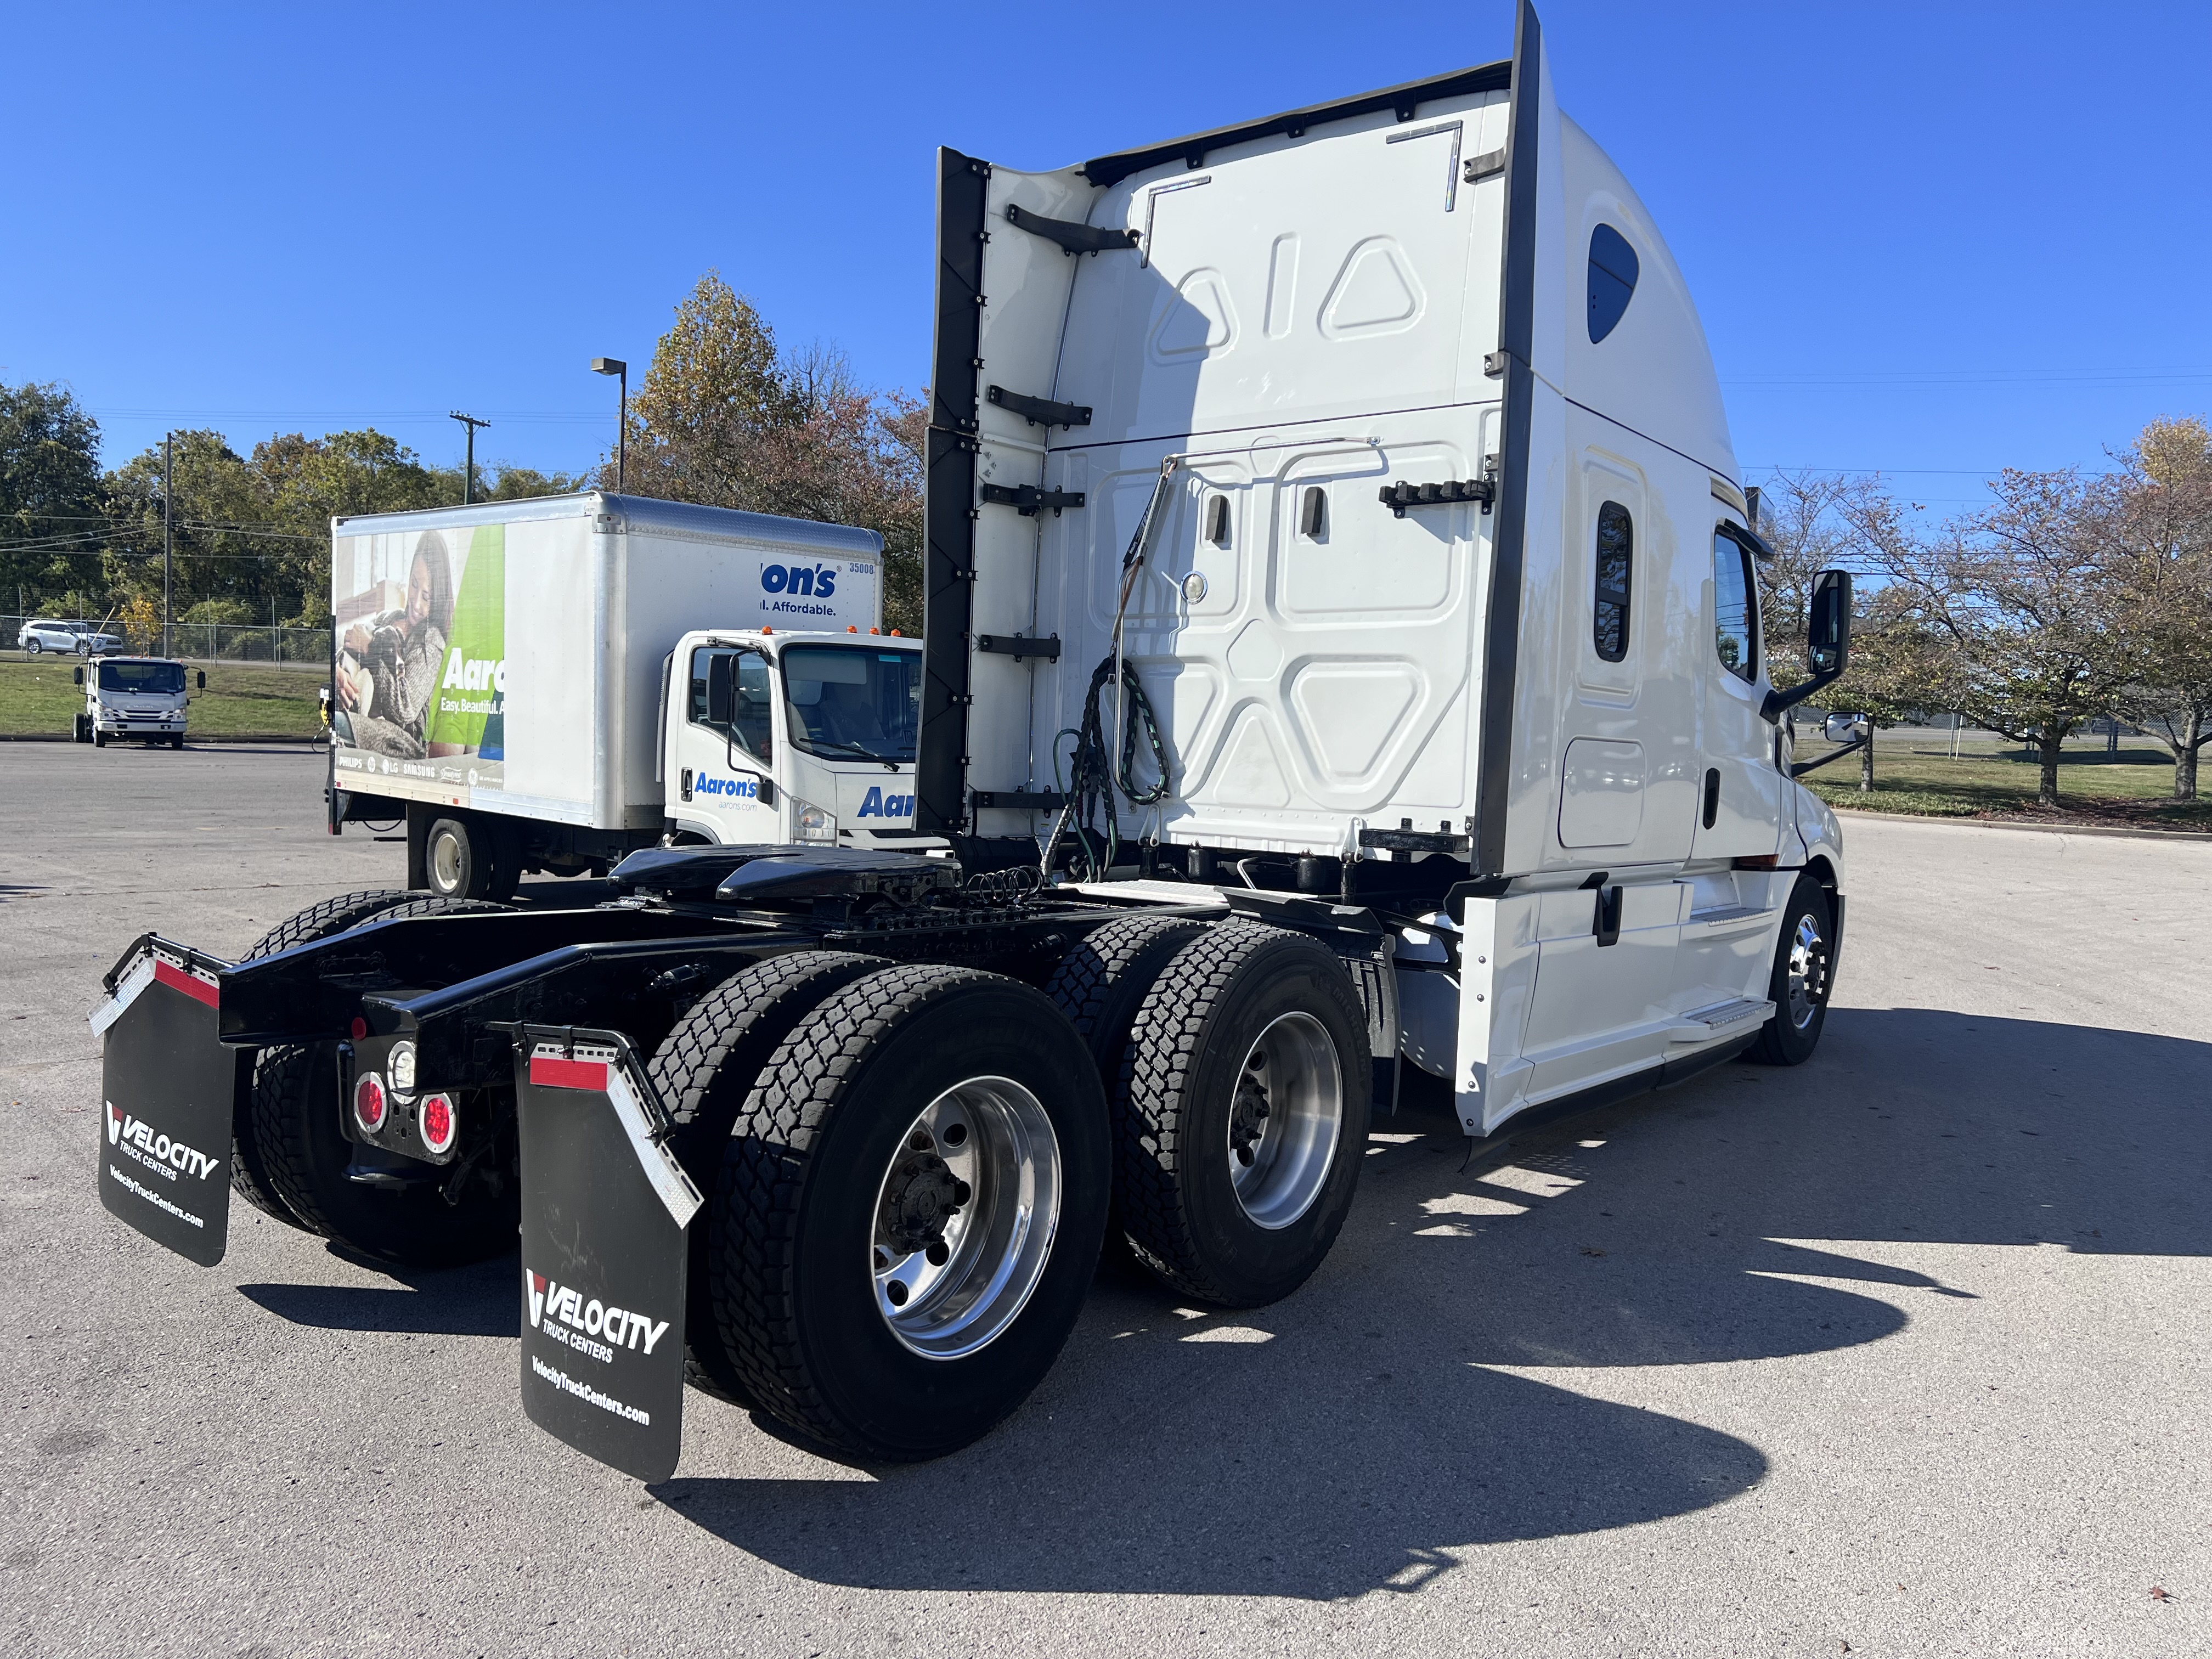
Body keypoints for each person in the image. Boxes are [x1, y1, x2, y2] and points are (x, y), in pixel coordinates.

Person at [337, 533, 453, 759]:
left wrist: (370, 650)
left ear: (438, 599)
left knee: (341, 723)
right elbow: (350, 646)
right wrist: (339, 675)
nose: (416, 603)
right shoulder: (388, 618)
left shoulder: (431, 641)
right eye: (414, 585)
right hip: (362, 710)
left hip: (398, 739)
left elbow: (404, 710)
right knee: (334, 718)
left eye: (427, 597)